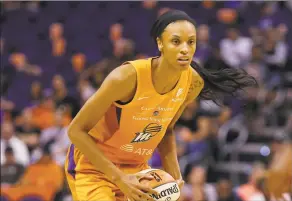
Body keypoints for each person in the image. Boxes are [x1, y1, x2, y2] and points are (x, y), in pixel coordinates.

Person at [65, 10, 257, 201]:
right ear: (160, 43)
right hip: (94, 167)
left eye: (191, 42)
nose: (185, 49)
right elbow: (75, 131)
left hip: (136, 169)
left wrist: (175, 176)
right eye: (176, 41)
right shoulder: (126, 78)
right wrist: (119, 178)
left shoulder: (192, 82)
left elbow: (166, 130)